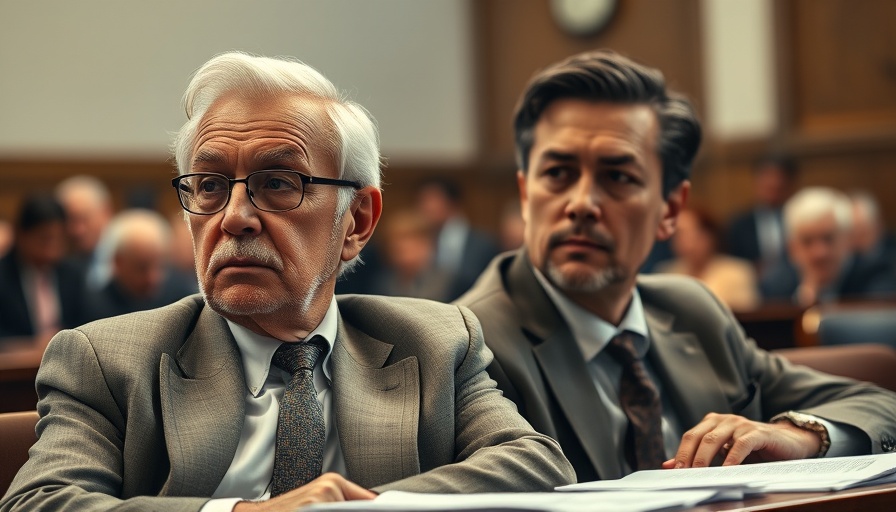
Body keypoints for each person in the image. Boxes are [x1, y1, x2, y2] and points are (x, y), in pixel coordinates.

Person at [1, 52, 573, 511]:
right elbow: (40, 501)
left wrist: (350, 510)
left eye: (277, 183)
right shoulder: (106, 361)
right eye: (209, 184)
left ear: (357, 222)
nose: (234, 216)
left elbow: (534, 463)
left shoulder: (435, 340)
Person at [455, 49, 896, 482]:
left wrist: (797, 435)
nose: (582, 203)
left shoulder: (691, 310)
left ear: (670, 209)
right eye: (557, 173)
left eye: (618, 176)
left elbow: (880, 406)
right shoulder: (467, 341)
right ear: (526, 195)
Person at [760, 187, 896, 305]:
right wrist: (804, 299)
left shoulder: (878, 277)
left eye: (828, 239)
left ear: (847, 239)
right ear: (792, 248)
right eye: (807, 242)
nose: (820, 253)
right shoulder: (775, 287)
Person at [81, 209, 197, 322]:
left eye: (161, 266)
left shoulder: (180, 297)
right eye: (142, 268)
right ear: (118, 262)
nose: (153, 278)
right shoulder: (94, 309)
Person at [0, 194, 86, 345]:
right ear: (21, 235)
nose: (52, 248)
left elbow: (87, 322)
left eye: (58, 238)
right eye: (45, 238)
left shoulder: (72, 273)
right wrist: (30, 346)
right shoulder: (3, 276)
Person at [657, 206, 759, 312]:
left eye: (686, 233)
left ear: (708, 237)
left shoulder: (737, 272)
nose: (680, 240)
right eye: (677, 234)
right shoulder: (665, 274)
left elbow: (747, 318)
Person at [415, 176, 500, 300]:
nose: (425, 207)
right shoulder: (422, 240)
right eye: (421, 201)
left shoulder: (483, 244)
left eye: (431, 200)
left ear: (452, 202)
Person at [725, 154, 797, 278]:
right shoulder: (739, 224)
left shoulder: (799, 219)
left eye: (779, 177)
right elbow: (733, 262)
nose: (774, 183)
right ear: (756, 180)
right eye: (767, 176)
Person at [54, 174, 115, 289]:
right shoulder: (55, 260)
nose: (78, 230)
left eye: (84, 219)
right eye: (70, 220)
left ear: (106, 212)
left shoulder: (129, 253)